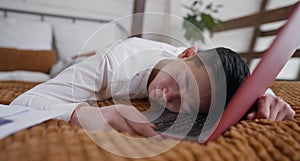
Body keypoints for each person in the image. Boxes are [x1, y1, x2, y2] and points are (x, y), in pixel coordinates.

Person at [10, 37, 295, 138]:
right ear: (185, 53)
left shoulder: (200, 71)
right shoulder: (112, 65)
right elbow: (26, 100)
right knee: (57, 67)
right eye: (181, 82)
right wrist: (85, 114)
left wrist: (263, 95)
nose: (166, 96)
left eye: (183, 104)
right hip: (76, 66)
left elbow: (226, 76)